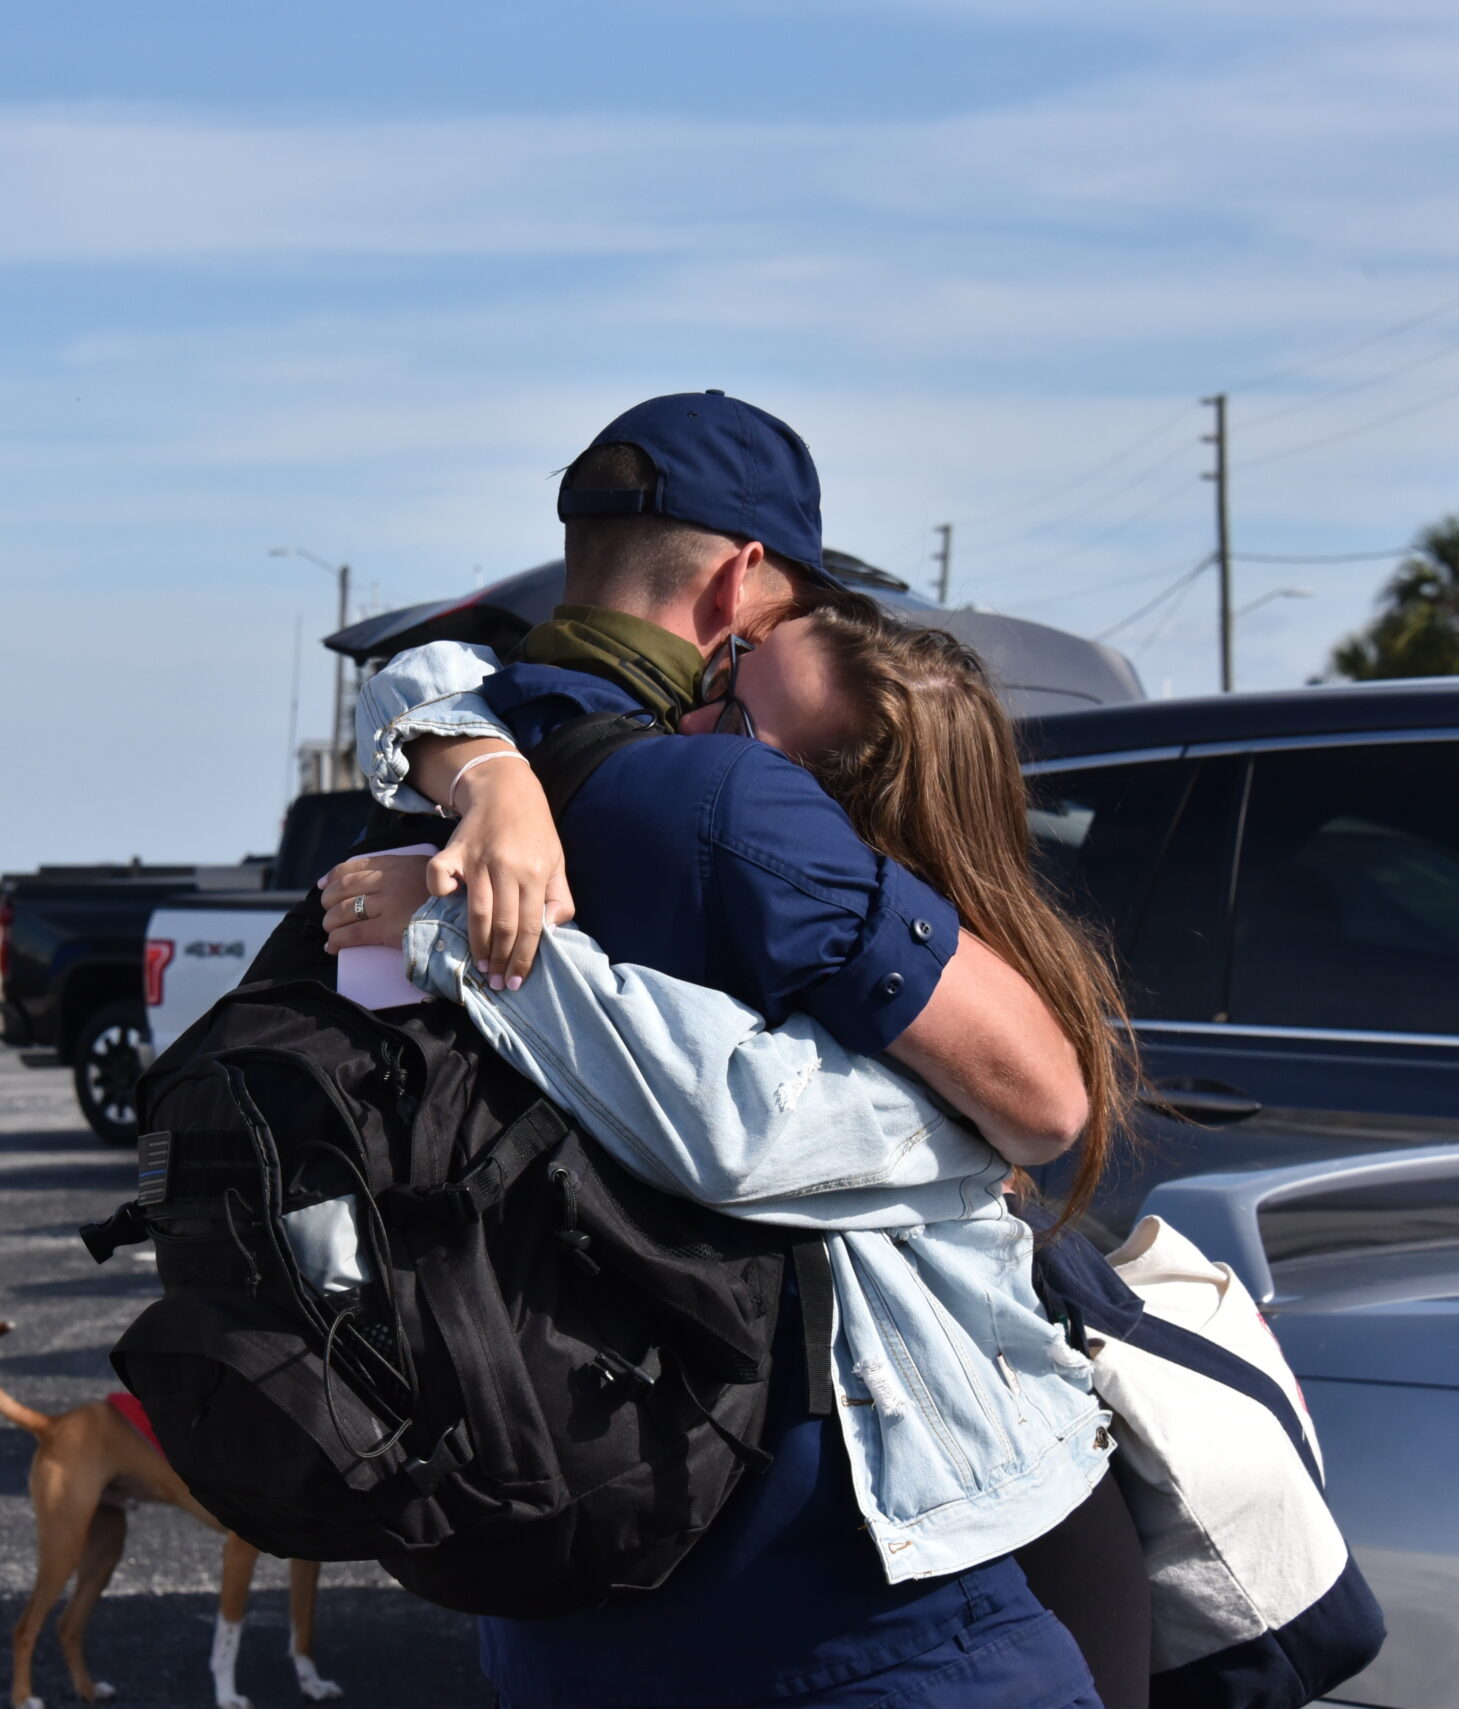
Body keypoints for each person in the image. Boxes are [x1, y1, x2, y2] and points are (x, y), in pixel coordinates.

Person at [312, 393, 1139, 1709]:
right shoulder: (713, 798)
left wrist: (475, 780)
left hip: (555, 1554)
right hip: (857, 1602)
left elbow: (432, 679)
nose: (719, 709)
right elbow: (1024, 1100)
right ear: (745, 575)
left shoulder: (507, 773)